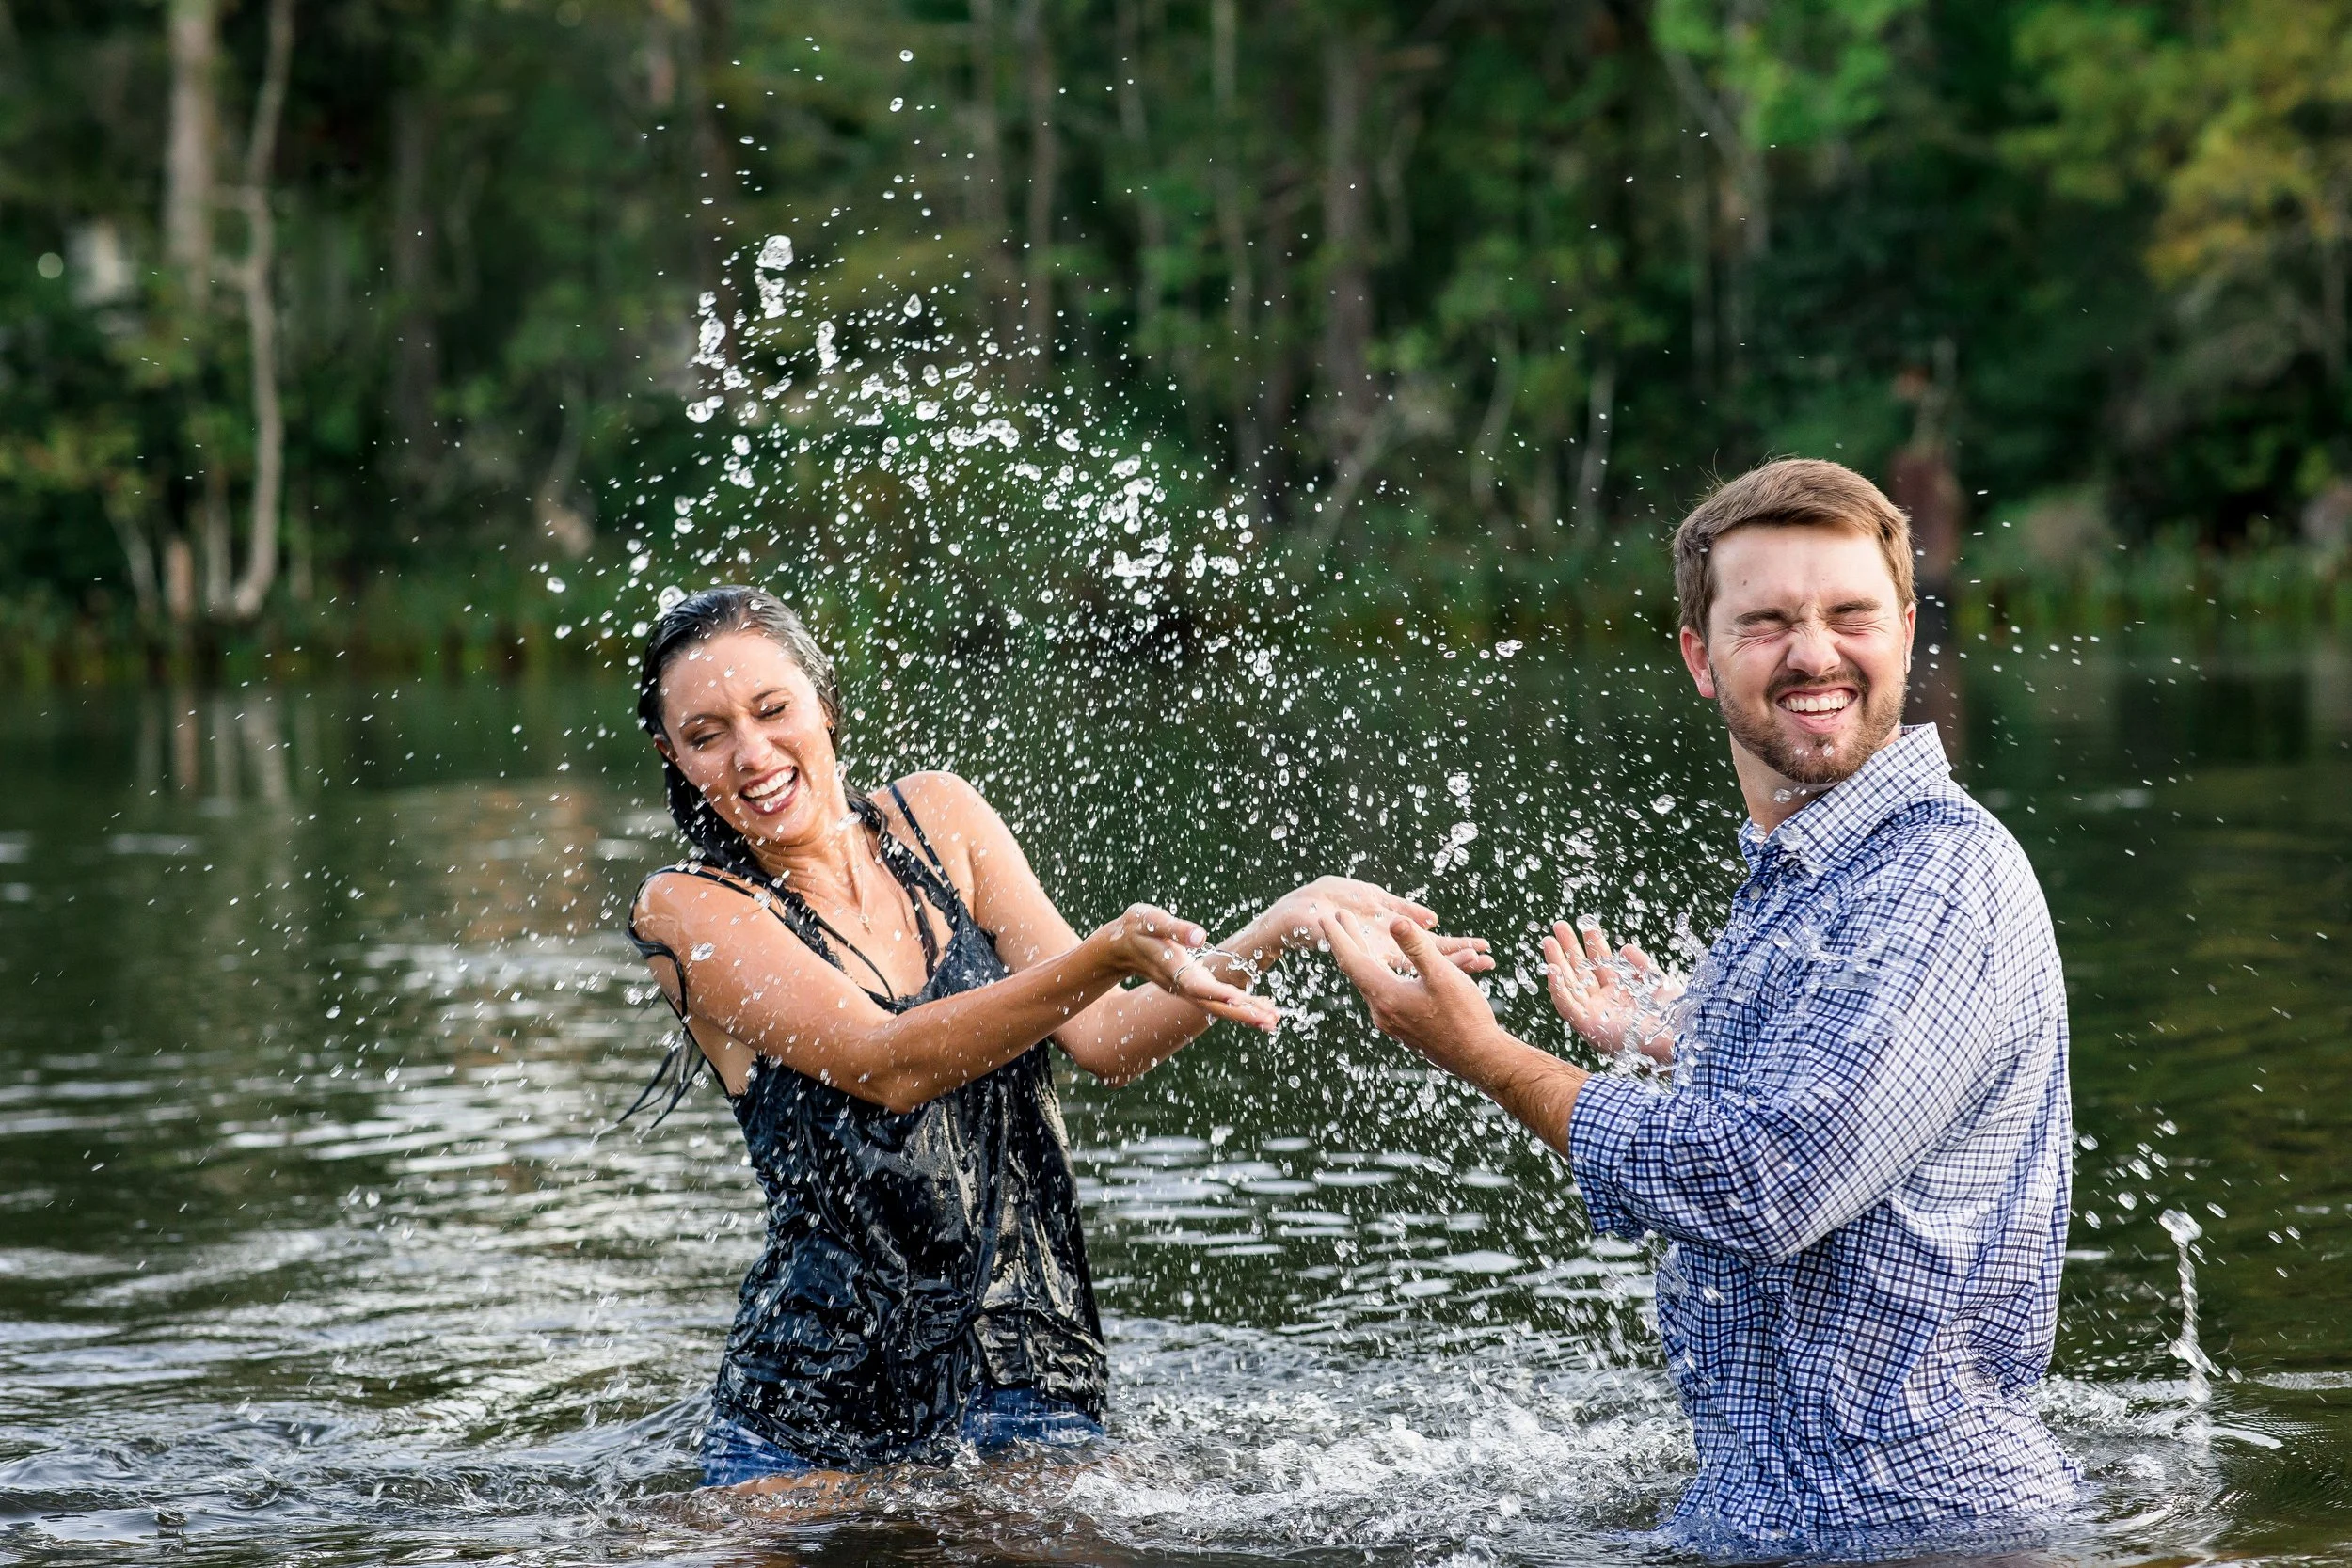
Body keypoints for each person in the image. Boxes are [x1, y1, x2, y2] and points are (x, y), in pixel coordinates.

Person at [1316, 459, 2079, 1558]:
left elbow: (1772, 1181)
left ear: (1906, 630)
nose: (1814, 653)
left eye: (1850, 614)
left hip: (1915, 1529)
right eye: (1766, 621)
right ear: (1698, 656)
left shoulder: (1940, 878)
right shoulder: (1807, 875)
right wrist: (1702, 1038)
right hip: (1762, 1518)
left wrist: (1484, 1054)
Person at [625, 585, 1489, 1491]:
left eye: (772, 709)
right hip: (814, 1414)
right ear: (674, 757)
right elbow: (886, 1061)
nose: (752, 754)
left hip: (1031, 1373)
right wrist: (1107, 950)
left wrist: (1278, 924)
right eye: (707, 734)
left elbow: (1110, 1036)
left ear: (825, 703)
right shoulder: (686, 909)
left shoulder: (939, 820)